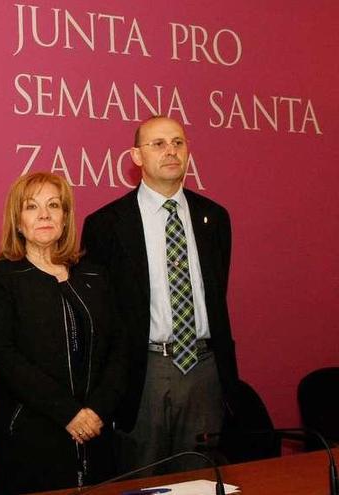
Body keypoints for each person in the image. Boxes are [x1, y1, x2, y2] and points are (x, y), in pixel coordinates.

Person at [81, 116, 239, 474]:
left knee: (200, 477)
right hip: (143, 372)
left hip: (204, 370)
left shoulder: (214, 217)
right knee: (139, 476)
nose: (171, 151)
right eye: (158, 144)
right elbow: (102, 314)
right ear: (136, 156)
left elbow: (216, 293)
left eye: (178, 142)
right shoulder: (106, 224)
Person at [0, 172, 126, 493]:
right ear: (18, 222)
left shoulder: (94, 274)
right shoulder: (4, 276)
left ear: (65, 217)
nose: (44, 214)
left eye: (54, 205)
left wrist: (97, 411)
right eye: (32, 207)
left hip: (97, 432)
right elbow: (2, 354)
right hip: (34, 437)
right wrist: (69, 413)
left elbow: (119, 349)